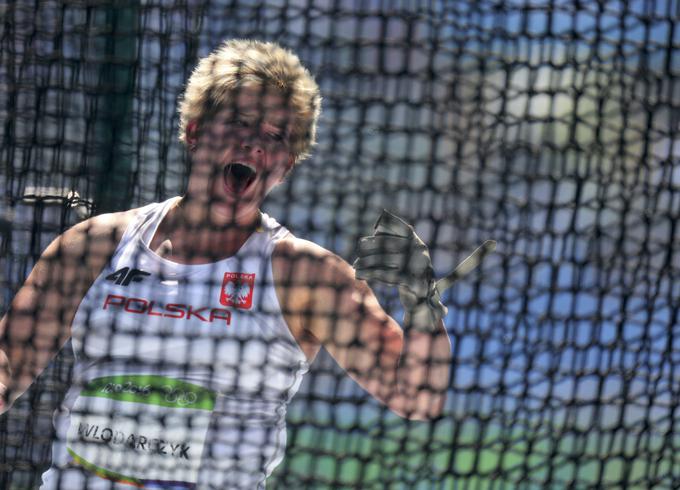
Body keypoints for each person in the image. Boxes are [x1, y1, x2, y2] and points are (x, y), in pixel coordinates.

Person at [0, 39, 452, 489]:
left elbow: (415, 397)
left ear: (286, 165)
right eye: (240, 123)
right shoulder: (95, 245)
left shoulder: (306, 276)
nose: (255, 145)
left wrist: (422, 302)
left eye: (275, 136)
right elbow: (9, 362)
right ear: (195, 132)